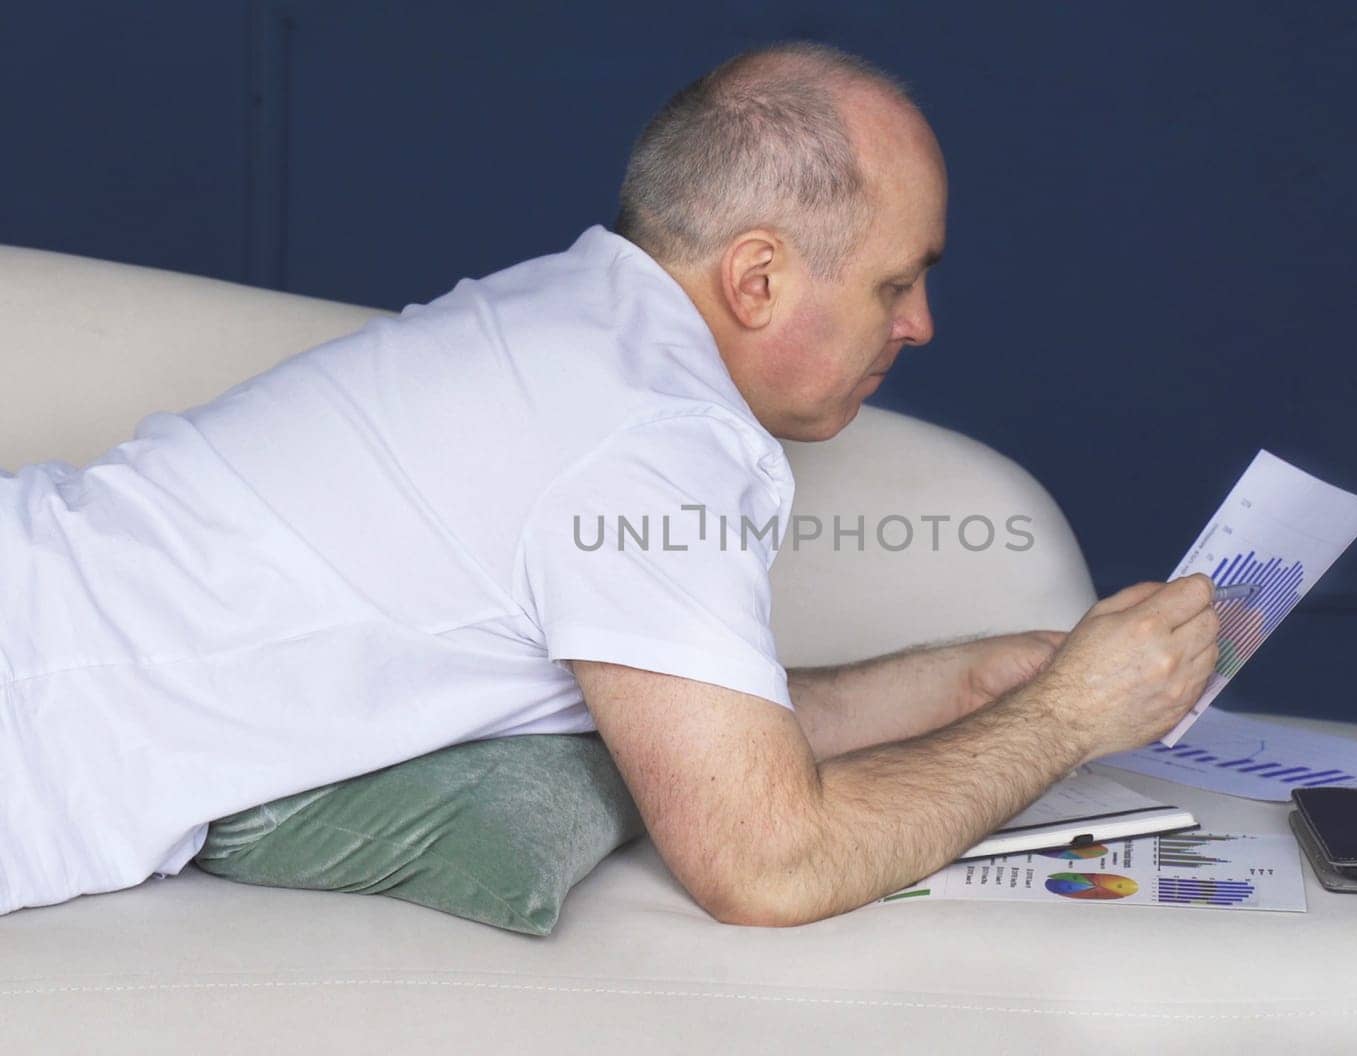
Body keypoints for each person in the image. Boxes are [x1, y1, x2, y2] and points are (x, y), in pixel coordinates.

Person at [0, 41, 1218, 923]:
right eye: (895, 284)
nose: (921, 326)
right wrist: (1067, 720)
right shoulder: (645, 435)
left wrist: (971, 681)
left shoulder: (578, 320)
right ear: (756, 281)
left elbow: (695, 724)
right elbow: (767, 862)